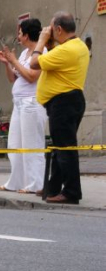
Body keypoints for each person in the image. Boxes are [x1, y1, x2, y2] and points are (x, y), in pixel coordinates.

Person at [30, 11, 90, 205]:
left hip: (64, 103)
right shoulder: (77, 45)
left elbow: (34, 63)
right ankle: (53, 187)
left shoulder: (66, 51)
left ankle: (71, 192)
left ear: (59, 29)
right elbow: (54, 55)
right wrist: (50, 43)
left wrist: (41, 41)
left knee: (65, 149)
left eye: (51, 27)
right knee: (59, 148)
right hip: (69, 101)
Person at [0, 18, 47, 194]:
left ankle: (36, 184)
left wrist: (13, 60)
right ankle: (15, 182)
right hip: (19, 103)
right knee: (15, 144)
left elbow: (32, 76)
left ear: (26, 34)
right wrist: (7, 63)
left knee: (32, 145)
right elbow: (13, 79)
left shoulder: (41, 53)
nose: (18, 36)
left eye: (19, 33)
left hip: (32, 103)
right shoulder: (24, 54)